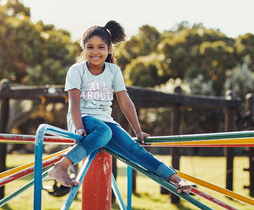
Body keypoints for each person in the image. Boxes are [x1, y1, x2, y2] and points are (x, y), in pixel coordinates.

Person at [48, 20, 191, 194]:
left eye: (101, 47)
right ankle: (61, 166)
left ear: (109, 49)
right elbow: (74, 102)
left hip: (106, 122)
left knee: (136, 151)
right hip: (82, 119)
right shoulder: (77, 70)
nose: (95, 52)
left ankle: (175, 179)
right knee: (103, 131)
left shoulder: (113, 71)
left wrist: (138, 131)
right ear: (83, 49)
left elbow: (125, 101)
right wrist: (78, 128)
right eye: (90, 47)